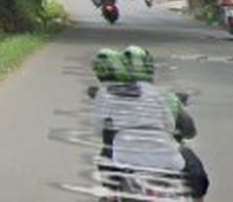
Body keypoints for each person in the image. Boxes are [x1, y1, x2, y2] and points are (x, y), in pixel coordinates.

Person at [88, 46, 209, 200]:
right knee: (197, 176)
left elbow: (99, 130)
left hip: (124, 157)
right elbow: (178, 127)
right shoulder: (163, 96)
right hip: (163, 154)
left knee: (108, 177)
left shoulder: (107, 98)